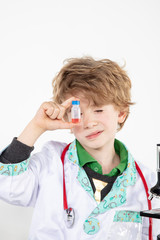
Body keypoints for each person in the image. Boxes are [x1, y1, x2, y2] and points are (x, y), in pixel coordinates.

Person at [0, 57, 159, 239]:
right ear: (66, 117)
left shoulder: (148, 183)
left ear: (121, 113)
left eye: (98, 110)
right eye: (78, 113)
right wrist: (37, 126)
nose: (89, 123)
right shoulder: (51, 161)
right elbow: (7, 185)